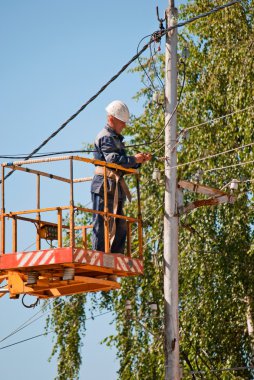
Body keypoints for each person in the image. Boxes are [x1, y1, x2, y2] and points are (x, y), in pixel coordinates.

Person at [91, 100, 151, 254]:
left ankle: (116, 254)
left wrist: (138, 161)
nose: (124, 126)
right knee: (103, 222)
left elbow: (124, 162)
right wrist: (134, 159)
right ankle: (99, 255)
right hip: (104, 185)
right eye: (121, 122)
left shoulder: (115, 138)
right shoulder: (105, 137)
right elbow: (113, 161)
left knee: (119, 223)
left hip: (114, 186)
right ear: (111, 119)